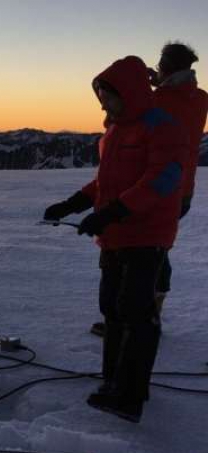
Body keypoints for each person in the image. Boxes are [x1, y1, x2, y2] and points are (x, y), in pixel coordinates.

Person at [43, 56, 188, 422]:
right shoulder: (115, 130)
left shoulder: (160, 127)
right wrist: (73, 203)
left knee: (136, 312)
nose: (101, 103)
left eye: (106, 95)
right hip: (115, 237)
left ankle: (130, 395)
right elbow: (105, 182)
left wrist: (113, 212)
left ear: (128, 92)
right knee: (112, 307)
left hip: (146, 235)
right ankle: (113, 381)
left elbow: (164, 179)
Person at [90, 43, 207, 336]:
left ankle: (135, 318)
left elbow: (118, 120)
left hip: (145, 185)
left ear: (164, 67)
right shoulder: (200, 99)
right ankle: (149, 312)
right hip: (183, 187)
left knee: (141, 249)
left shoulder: (159, 101)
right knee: (158, 247)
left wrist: (140, 87)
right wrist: (157, 86)